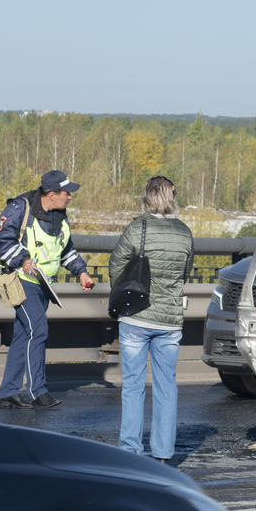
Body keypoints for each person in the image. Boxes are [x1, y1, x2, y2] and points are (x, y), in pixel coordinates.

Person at [0, 170, 95, 409]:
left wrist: (81, 272)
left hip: (44, 285)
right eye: (67, 193)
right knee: (38, 331)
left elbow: (66, 250)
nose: (70, 197)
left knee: (24, 336)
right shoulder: (20, 208)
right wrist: (22, 260)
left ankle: (8, 391)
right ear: (51, 194)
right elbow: (1, 238)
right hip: (22, 280)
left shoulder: (60, 217)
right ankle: (38, 391)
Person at [108, 175, 193, 462]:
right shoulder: (184, 232)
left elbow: (116, 264)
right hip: (169, 321)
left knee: (133, 385)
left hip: (135, 316)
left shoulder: (137, 227)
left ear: (146, 197)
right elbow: (185, 272)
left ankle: (131, 450)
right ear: (172, 196)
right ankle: (164, 453)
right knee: (166, 386)